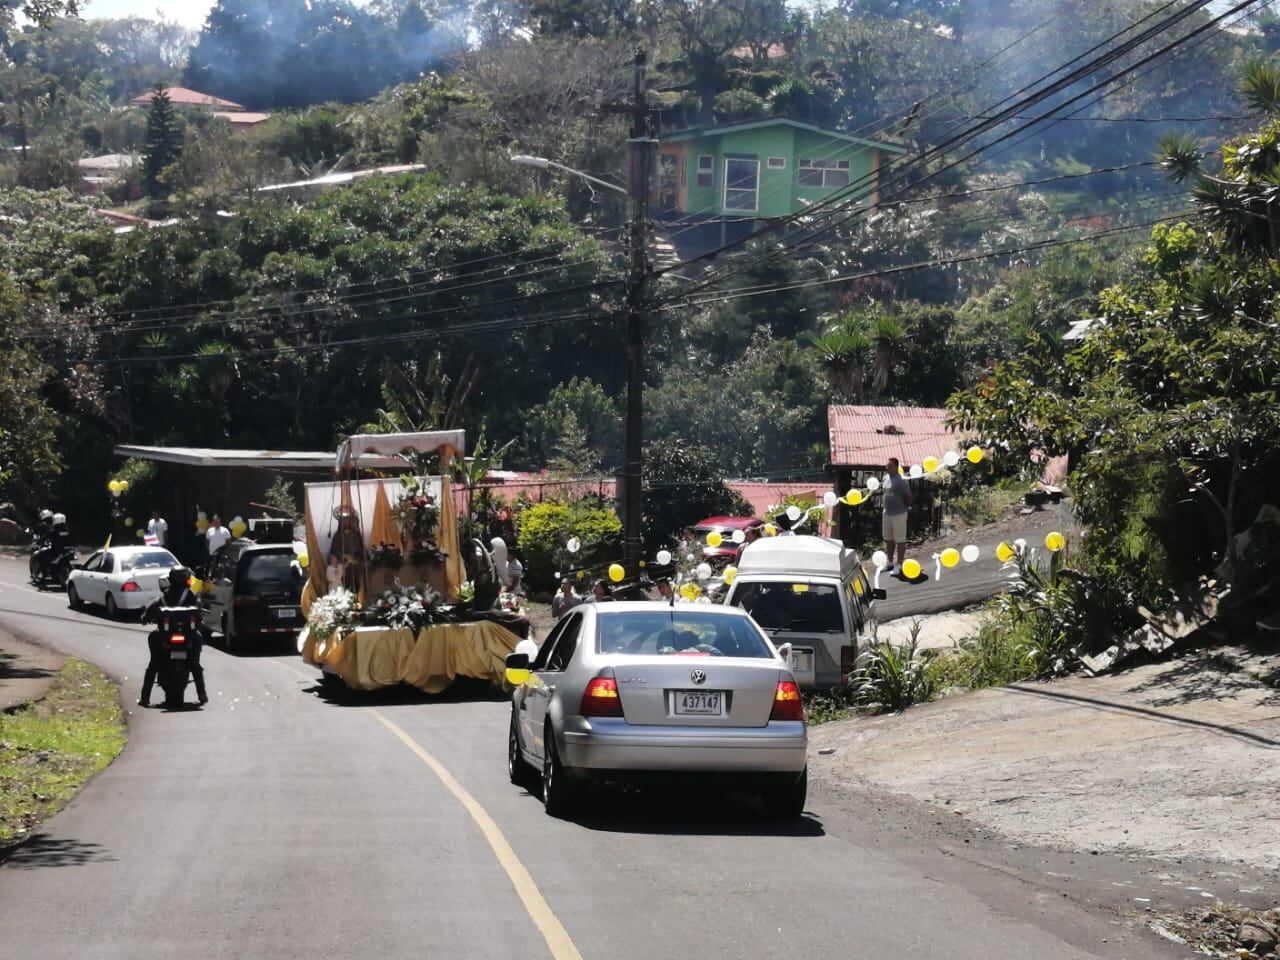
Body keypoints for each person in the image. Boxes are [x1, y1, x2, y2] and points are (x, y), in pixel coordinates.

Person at [138, 567, 208, 707]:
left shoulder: (163, 598)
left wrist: (145, 618)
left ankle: (145, 698)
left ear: (170, 580)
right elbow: (200, 617)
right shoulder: (192, 597)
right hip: (189, 640)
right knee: (195, 664)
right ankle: (202, 694)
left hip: (164, 639)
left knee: (154, 665)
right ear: (187, 580)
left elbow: (147, 616)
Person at [882, 457, 913, 574]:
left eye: (890, 466)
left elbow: (908, 496)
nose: (887, 468)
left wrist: (907, 508)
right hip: (887, 513)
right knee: (888, 539)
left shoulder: (902, 481)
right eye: (887, 466)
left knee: (900, 539)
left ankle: (899, 564)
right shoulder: (885, 478)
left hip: (899, 514)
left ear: (896, 467)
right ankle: (890, 562)